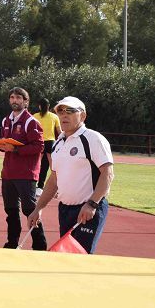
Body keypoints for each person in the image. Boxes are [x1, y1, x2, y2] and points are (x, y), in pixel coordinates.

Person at [27, 96, 114, 254]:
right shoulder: (58, 143)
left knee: (79, 256)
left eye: (70, 111)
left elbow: (107, 174)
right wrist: (38, 208)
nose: (64, 115)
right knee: (66, 256)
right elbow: (54, 180)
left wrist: (92, 204)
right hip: (65, 210)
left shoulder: (93, 139)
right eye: (60, 111)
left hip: (88, 209)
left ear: (83, 115)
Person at [0, 87, 46, 249]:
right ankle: (12, 242)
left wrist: (16, 149)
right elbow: (5, 144)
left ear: (26, 102)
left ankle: (40, 245)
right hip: (8, 173)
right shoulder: (6, 120)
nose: (14, 100)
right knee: (10, 210)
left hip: (26, 173)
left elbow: (39, 147)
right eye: (12, 97)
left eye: (18, 98)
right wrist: (2, 146)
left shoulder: (31, 122)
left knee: (29, 210)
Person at [33, 97, 61, 194]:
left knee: (36, 165)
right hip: (51, 142)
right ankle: (59, 187)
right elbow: (59, 132)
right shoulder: (54, 117)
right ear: (49, 106)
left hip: (39, 142)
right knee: (53, 167)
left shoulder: (35, 116)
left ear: (39, 106)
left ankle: (34, 186)